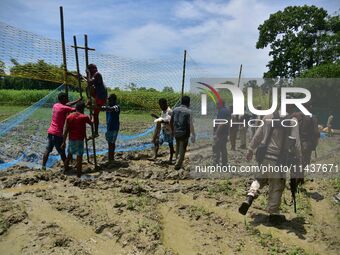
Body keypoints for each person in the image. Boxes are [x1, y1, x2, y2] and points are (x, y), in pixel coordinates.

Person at [239, 108, 302, 224]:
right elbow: (296, 144)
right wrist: (299, 162)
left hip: (264, 157)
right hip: (279, 160)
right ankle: (273, 214)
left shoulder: (267, 117)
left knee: (259, 179)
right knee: (277, 185)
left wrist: (250, 149)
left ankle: (250, 196)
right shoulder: (292, 121)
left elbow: (258, 135)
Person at [42, 92, 80, 170]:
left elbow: (68, 104)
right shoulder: (64, 108)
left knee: (48, 150)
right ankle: (66, 167)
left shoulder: (55, 105)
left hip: (50, 132)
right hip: (57, 133)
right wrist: (83, 104)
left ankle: (43, 166)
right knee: (62, 151)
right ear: (63, 99)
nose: (68, 99)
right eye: (66, 98)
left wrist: (77, 100)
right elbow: (77, 109)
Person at [61, 102, 93, 178]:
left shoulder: (69, 117)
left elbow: (65, 131)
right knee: (79, 158)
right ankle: (78, 175)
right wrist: (93, 117)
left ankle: (65, 170)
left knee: (69, 156)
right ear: (82, 109)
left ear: (76, 108)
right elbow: (91, 124)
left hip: (71, 140)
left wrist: (63, 142)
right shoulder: (84, 117)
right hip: (80, 140)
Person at [291, 102, 319, 168]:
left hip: (294, 144)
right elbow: (316, 134)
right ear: (310, 107)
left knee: (294, 166)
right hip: (306, 146)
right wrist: (314, 146)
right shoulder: (313, 118)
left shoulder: (294, 115)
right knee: (302, 167)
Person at [171, 96, 195, 170]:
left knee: (177, 146)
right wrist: (193, 134)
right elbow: (190, 124)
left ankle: (176, 161)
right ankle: (178, 164)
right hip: (184, 133)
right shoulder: (189, 111)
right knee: (183, 148)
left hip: (176, 132)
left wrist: (172, 131)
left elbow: (171, 121)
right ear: (188, 103)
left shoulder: (175, 110)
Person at [86, 64, 108, 137]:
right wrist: (73, 75)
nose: (96, 69)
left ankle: (90, 102)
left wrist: (88, 73)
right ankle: (96, 132)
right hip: (99, 97)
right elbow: (87, 79)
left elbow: (89, 82)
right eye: (94, 68)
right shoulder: (94, 76)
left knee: (88, 87)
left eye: (95, 68)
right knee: (95, 115)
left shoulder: (97, 74)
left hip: (101, 98)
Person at [151, 98, 174, 162]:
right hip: (163, 130)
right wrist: (156, 117)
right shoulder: (163, 111)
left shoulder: (169, 111)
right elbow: (162, 119)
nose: (161, 107)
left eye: (161, 105)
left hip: (169, 131)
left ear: (165, 104)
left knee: (170, 145)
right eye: (160, 105)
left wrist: (157, 119)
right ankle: (155, 156)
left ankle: (171, 159)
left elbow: (168, 122)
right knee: (156, 141)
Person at [102, 94, 120, 162]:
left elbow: (111, 109)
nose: (108, 100)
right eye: (108, 99)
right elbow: (101, 108)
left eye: (109, 99)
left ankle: (111, 159)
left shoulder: (117, 107)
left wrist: (103, 107)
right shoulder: (108, 106)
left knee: (112, 143)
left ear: (114, 100)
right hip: (109, 127)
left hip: (114, 127)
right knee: (110, 143)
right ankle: (110, 158)